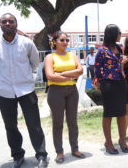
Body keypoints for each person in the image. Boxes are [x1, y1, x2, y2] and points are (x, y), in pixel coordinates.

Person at [0, 13, 48, 168]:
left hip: (26, 89)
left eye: (11, 21)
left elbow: (34, 62)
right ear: (1, 25)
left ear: (16, 24)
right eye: (4, 21)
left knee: (34, 124)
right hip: (5, 91)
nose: (8, 23)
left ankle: (41, 155)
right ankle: (17, 155)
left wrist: (28, 77)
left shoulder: (26, 43)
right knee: (10, 126)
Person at [44, 31, 85, 163]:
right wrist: (71, 76)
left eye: (67, 40)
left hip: (72, 91)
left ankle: (75, 148)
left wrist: (62, 73)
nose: (65, 42)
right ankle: (59, 152)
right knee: (58, 123)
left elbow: (81, 70)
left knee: (73, 122)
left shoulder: (72, 55)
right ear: (55, 42)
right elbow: (50, 76)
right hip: (56, 92)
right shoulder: (50, 57)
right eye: (62, 40)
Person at [94, 24, 128, 154]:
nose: (121, 34)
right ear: (113, 34)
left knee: (121, 113)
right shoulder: (102, 51)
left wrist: (122, 63)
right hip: (108, 85)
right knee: (108, 114)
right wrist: (100, 84)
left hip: (121, 83)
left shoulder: (119, 48)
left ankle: (122, 140)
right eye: (119, 32)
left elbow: (120, 66)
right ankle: (109, 143)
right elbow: (97, 71)